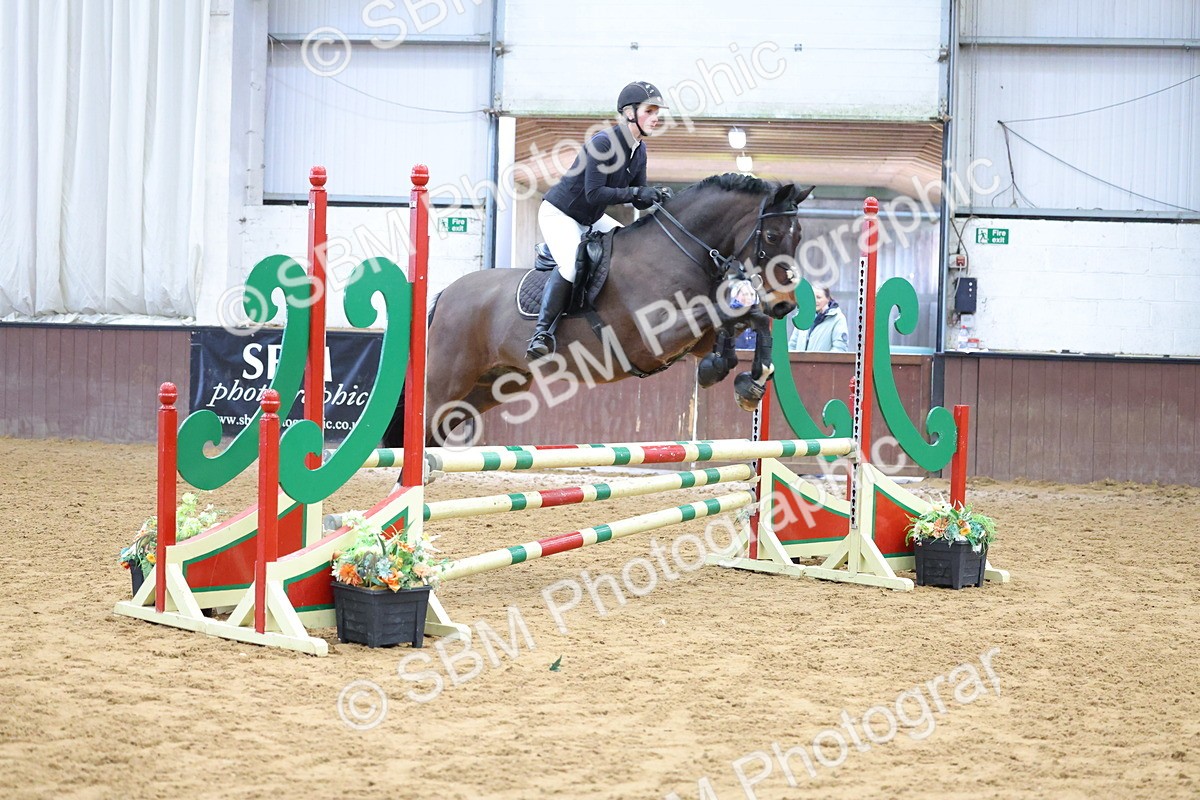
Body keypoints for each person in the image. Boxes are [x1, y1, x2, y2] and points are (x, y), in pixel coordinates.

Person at [526, 81, 674, 360]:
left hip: (590, 218)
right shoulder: (603, 143)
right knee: (571, 267)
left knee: (632, 249)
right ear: (629, 113)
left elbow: (636, 197)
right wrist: (637, 192)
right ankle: (542, 332)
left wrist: (654, 196)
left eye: (657, 112)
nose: (656, 118)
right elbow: (594, 193)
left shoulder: (639, 150)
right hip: (560, 213)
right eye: (650, 111)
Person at [788, 286, 849, 352]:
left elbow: (839, 349)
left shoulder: (837, 319)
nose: (815, 301)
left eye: (818, 297)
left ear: (828, 299)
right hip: (800, 362)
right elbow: (792, 345)